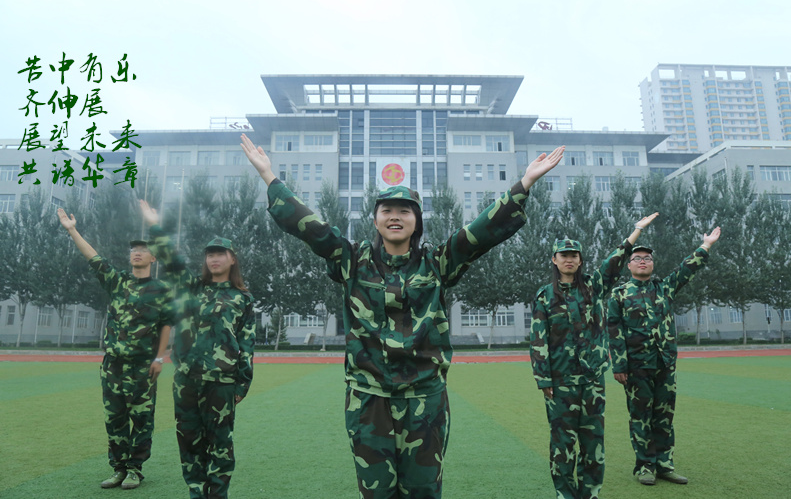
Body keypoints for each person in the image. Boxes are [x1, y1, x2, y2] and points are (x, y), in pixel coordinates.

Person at [240, 132, 564, 499]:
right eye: (387, 211)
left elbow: (480, 232)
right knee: (376, 493)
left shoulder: (437, 262)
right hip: (368, 399)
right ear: (376, 220)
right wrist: (269, 176)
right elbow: (311, 227)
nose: (395, 216)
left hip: (425, 399)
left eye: (405, 211)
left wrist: (525, 182)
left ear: (417, 221)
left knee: (423, 491)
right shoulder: (351, 260)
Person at [529, 214, 658, 499]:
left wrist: (636, 231)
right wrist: (543, 379)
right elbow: (538, 340)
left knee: (593, 443)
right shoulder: (545, 296)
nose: (569, 259)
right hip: (560, 382)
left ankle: (590, 493)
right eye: (564, 255)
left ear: (580, 260)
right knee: (562, 444)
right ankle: (565, 494)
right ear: (554, 260)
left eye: (574, 255)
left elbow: (614, 260)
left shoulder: (594, 286)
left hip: (592, 381)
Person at [139, 201, 255, 499]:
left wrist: (242, 383)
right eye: (209, 254)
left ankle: (217, 495)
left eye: (220, 253)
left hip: (222, 382)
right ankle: (196, 492)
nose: (214, 258)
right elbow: (172, 260)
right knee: (189, 441)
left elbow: (247, 343)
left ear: (232, 259)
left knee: (220, 443)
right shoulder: (192, 287)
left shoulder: (242, 299)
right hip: (187, 380)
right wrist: (154, 225)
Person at [57, 208, 173, 490]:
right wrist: (72, 230)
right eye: (134, 250)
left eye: (143, 250)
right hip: (113, 365)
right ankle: (118, 468)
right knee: (114, 418)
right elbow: (93, 257)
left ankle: (135, 469)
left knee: (142, 419)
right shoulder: (117, 280)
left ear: (153, 258)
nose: (137, 253)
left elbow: (166, 326)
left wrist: (159, 358)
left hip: (142, 366)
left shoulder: (161, 290)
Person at [607, 227, 721, 486]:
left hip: (665, 364)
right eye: (637, 258)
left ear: (652, 264)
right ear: (629, 265)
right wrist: (619, 365)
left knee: (665, 418)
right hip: (636, 367)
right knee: (641, 417)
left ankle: (665, 465)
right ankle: (645, 466)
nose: (643, 261)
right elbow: (614, 331)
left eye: (647, 258)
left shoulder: (665, 287)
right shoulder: (619, 294)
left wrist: (706, 246)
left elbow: (686, 270)